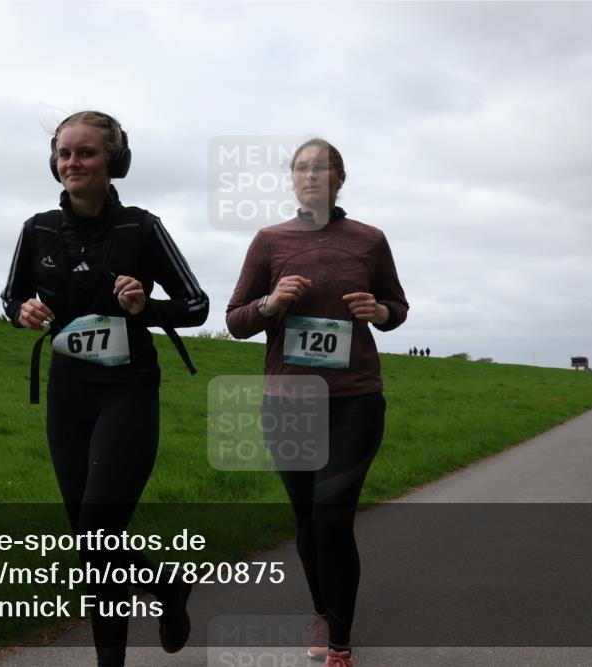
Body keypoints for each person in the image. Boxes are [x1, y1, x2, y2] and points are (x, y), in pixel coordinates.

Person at [1, 110, 208, 667]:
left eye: (86, 152)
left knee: (98, 534)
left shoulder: (142, 227)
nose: (73, 163)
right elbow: (8, 299)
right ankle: (161, 590)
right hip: (67, 394)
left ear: (114, 160)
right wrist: (22, 310)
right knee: (93, 546)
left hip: (128, 392)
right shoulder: (37, 228)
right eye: (65, 153)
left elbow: (196, 305)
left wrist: (146, 306)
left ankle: (166, 588)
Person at [225, 138, 409, 667]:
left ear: (339, 178)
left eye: (320, 168)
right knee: (306, 520)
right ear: (291, 180)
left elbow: (398, 305)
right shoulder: (269, 241)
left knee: (332, 516)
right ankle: (322, 611)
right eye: (300, 169)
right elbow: (236, 320)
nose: (309, 176)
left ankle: (341, 643)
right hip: (289, 401)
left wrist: (380, 311)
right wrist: (271, 302)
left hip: (354, 399)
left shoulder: (369, 240)